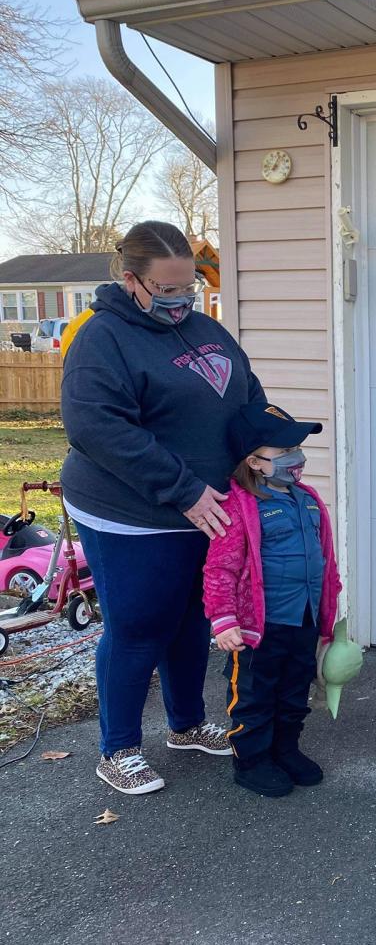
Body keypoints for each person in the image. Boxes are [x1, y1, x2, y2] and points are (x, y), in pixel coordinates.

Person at [60, 220, 266, 796]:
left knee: (192, 619)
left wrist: (258, 447)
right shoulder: (102, 340)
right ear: (131, 280)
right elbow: (97, 428)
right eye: (167, 289)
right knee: (140, 624)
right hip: (128, 507)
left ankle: (186, 725)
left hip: (205, 504)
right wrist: (185, 489)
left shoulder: (207, 330)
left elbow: (247, 393)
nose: (181, 301)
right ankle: (118, 749)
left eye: (189, 289)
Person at [203, 402, 341, 798]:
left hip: (304, 618)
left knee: (294, 689)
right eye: (284, 453)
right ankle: (252, 760)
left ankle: (285, 749)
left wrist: (329, 612)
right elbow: (220, 569)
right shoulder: (239, 506)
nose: (296, 459)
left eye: (297, 450)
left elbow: (324, 560)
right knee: (254, 694)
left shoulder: (309, 499)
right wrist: (224, 619)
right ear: (255, 461)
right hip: (259, 628)